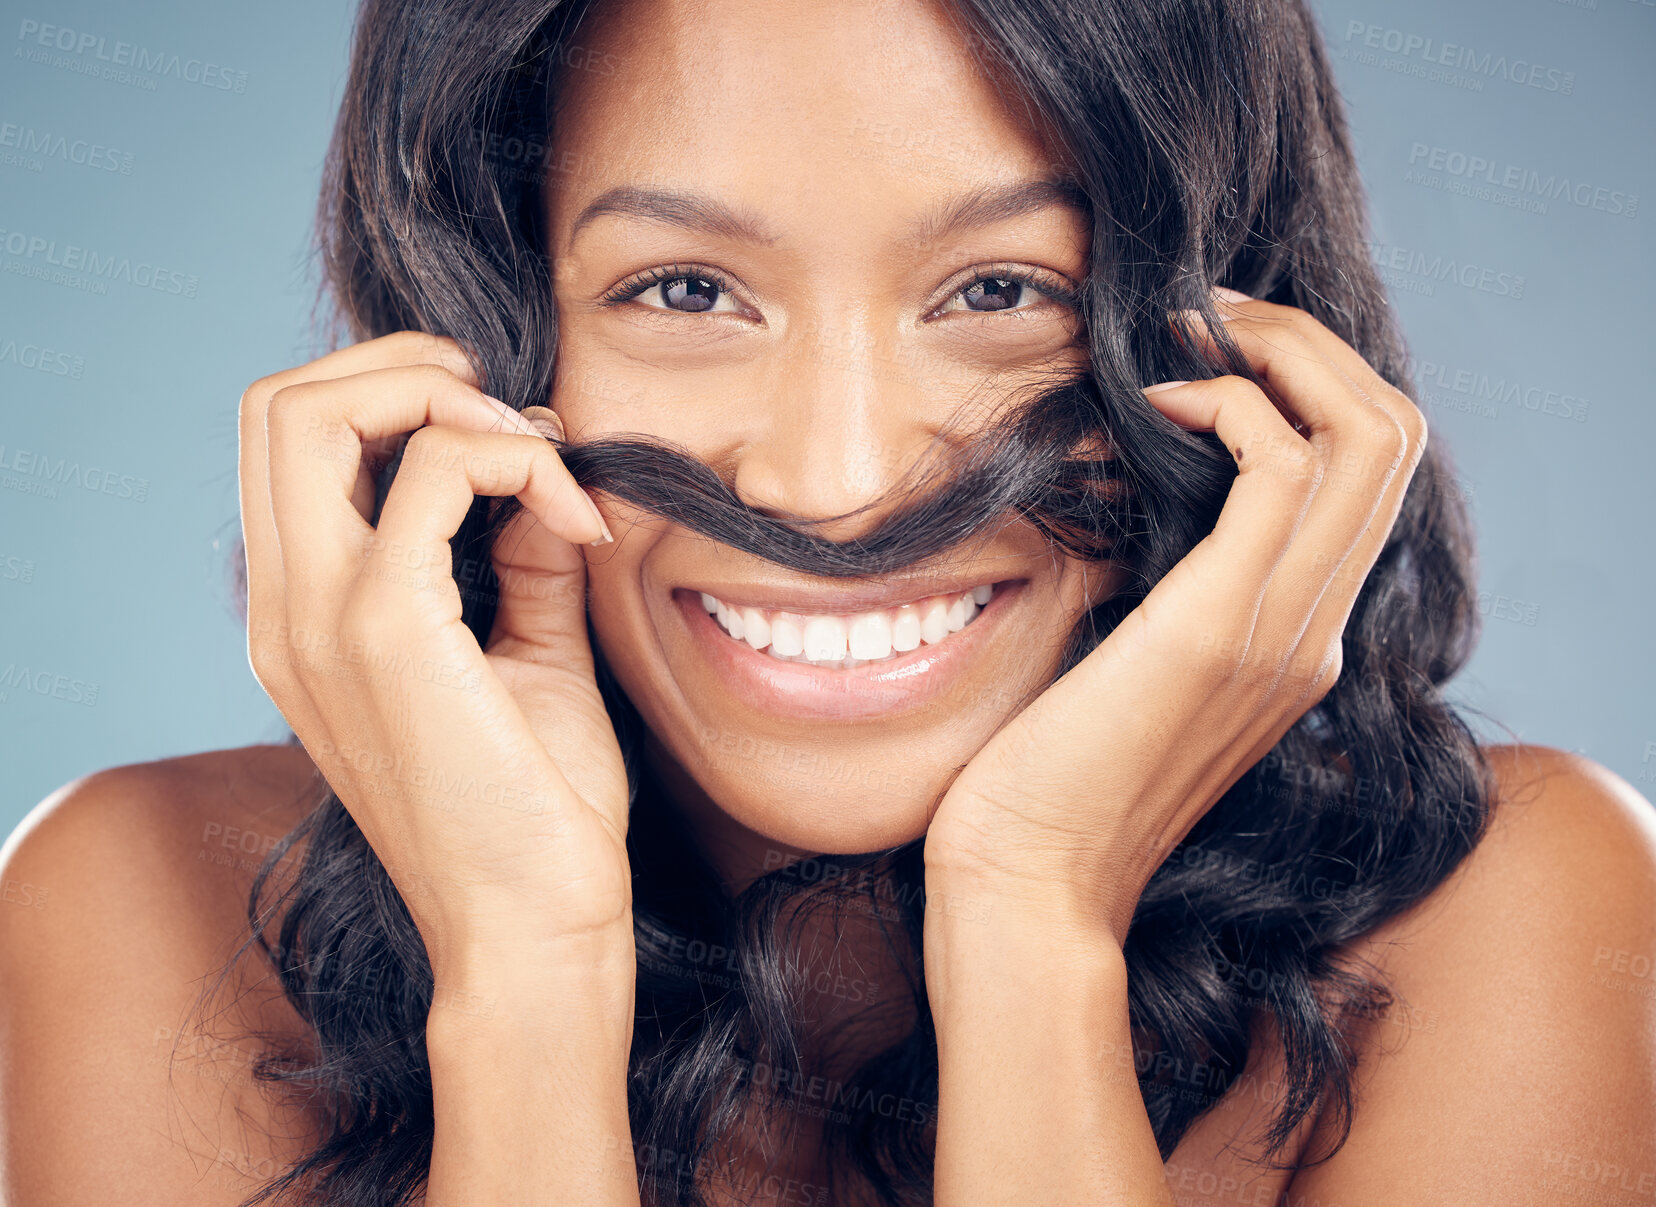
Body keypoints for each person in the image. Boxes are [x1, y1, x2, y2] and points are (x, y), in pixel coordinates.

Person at [3, 0, 1652, 1203]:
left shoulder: (1510, 922)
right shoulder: (138, 915)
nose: (834, 478)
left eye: (1002, 289)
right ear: (480, 344)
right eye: (687, 289)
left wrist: (1034, 924)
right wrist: (521, 975)